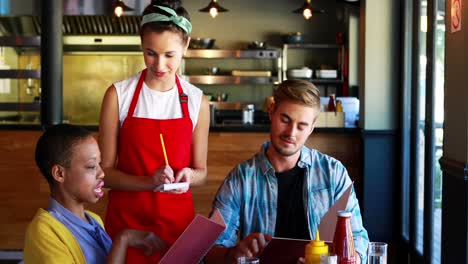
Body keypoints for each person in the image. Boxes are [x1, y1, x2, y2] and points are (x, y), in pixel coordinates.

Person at [206, 79, 369, 263]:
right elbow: (210, 250)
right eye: (285, 120)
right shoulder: (241, 179)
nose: (291, 133)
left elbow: (358, 240)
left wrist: (347, 258)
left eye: (302, 126)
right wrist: (233, 254)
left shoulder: (333, 174)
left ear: (312, 128)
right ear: (271, 112)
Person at [98, 0, 209, 262]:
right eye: (150, 53)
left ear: (186, 45)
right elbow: (105, 174)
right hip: (128, 229)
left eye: (169, 55)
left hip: (178, 229)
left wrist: (188, 175)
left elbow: (202, 173)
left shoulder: (197, 101)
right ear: (141, 44)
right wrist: (150, 182)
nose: (159, 65)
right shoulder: (118, 96)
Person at [23, 124, 166, 264]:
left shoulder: (95, 220)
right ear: (60, 173)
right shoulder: (43, 231)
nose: (102, 173)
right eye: (91, 166)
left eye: (100, 164)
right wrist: (124, 239)